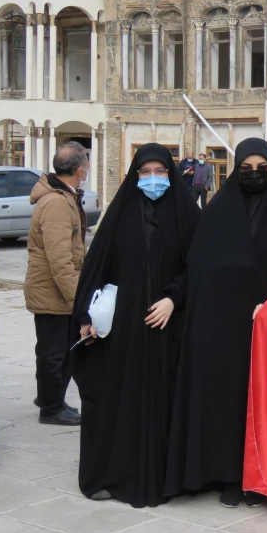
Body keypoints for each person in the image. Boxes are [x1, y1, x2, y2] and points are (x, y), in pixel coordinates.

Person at [71, 144, 200, 508]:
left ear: (172, 174)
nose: (153, 178)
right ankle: (115, 473)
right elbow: (95, 269)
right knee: (119, 399)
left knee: (164, 400)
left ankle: (163, 476)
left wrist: (174, 296)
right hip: (124, 328)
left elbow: (198, 265)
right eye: (146, 172)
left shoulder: (186, 215)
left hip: (166, 327)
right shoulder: (120, 215)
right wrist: (84, 317)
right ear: (135, 174)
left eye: (161, 171)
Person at [166, 138, 267, 508]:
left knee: (256, 401)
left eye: (262, 170)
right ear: (235, 172)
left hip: (264, 328)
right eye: (246, 169)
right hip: (219, 324)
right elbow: (198, 265)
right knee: (223, 399)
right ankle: (220, 472)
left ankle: (255, 476)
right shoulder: (217, 213)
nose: (254, 176)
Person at [24, 142, 89, 427]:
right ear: (79, 170)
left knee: (58, 353)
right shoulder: (57, 204)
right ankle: (50, 408)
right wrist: (80, 303)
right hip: (52, 293)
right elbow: (60, 260)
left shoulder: (63, 197)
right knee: (54, 355)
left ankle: (51, 398)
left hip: (55, 292)